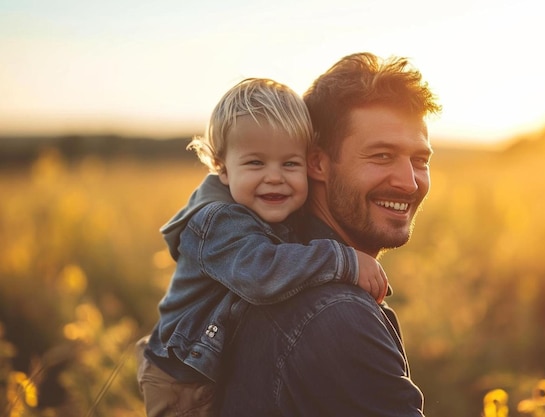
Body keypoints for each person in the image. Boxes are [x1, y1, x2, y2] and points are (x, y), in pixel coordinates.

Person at [136, 78, 389, 417]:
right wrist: (344, 260)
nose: (275, 177)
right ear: (223, 168)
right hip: (182, 382)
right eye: (256, 163)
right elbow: (262, 273)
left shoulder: (262, 206)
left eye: (290, 164)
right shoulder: (219, 222)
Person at [216, 52, 442, 416]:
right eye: (382, 156)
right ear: (317, 162)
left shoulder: (278, 260)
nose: (409, 182)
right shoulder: (337, 317)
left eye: (420, 160)